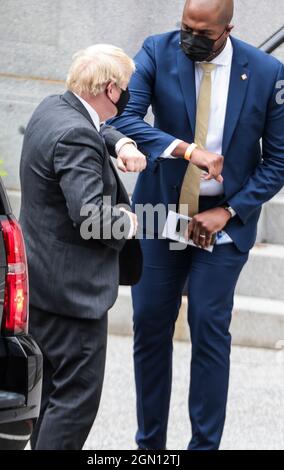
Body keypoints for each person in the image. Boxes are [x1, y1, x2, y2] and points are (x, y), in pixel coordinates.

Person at [109, 0, 284, 450]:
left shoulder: (266, 72)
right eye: (186, 26)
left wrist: (228, 211)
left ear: (228, 29)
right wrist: (187, 150)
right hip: (159, 216)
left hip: (221, 225)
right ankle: (150, 447)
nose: (190, 38)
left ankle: (204, 447)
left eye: (202, 33)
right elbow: (127, 119)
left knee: (209, 326)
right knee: (149, 325)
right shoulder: (157, 51)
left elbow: (277, 160)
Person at [19, 44, 147, 450]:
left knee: (48, 399)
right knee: (74, 405)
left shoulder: (52, 108)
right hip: (74, 299)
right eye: (124, 88)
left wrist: (120, 143)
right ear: (111, 89)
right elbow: (91, 216)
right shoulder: (76, 135)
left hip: (41, 284)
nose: (126, 94)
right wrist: (125, 223)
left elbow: (91, 126)